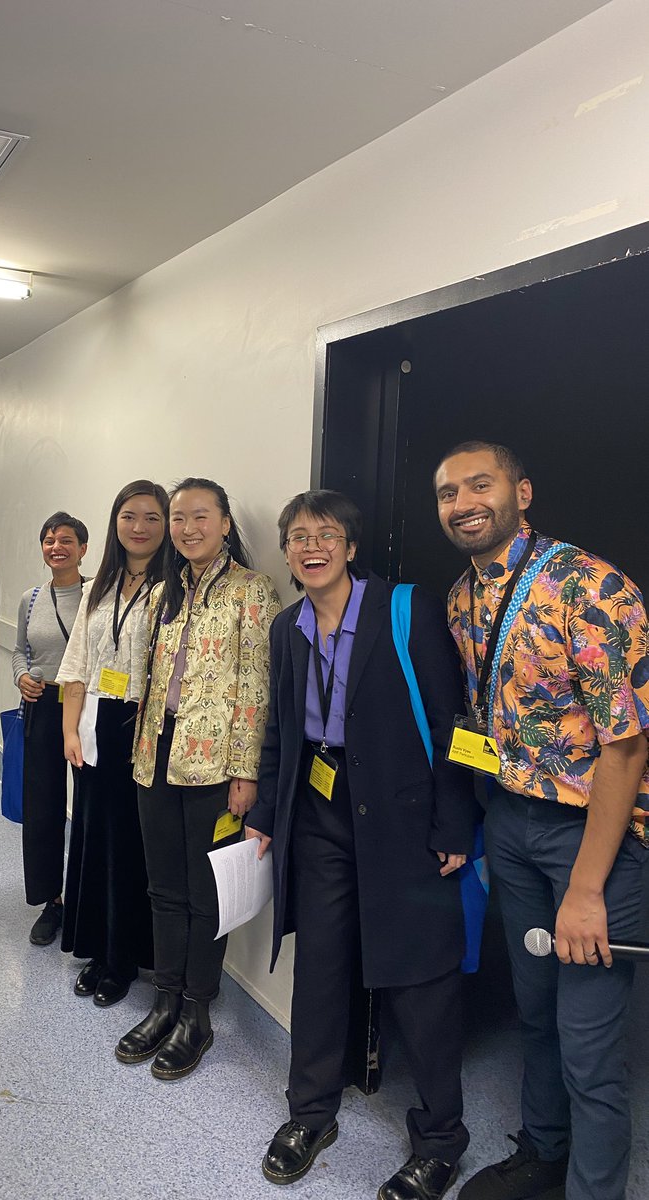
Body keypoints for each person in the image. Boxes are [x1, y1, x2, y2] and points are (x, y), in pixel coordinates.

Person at [246, 489, 477, 1200]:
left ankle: (440, 1138)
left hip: (405, 820)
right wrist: (263, 810)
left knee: (419, 981)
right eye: (297, 537)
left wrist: (455, 824)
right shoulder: (289, 629)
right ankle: (309, 1114)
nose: (310, 546)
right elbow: (283, 727)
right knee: (319, 968)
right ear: (287, 553)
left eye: (325, 534)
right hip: (318, 816)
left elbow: (452, 723)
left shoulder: (404, 610)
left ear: (349, 546)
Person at [434, 441, 649, 1200]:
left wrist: (588, 890)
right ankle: (543, 1154)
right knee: (536, 1010)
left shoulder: (589, 588)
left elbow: (625, 749)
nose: (462, 502)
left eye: (478, 484)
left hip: (594, 839)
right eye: (447, 492)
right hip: (513, 828)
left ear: (522, 492)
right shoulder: (461, 599)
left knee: (588, 1043)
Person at [117, 478, 280, 1080]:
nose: (187, 528)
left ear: (226, 524)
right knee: (163, 887)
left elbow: (257, 690)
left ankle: (197, 1013)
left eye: (199, 517)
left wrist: (246, 772)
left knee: (206, 891)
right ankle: (164, 1000)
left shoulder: (252, 592)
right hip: (154, 756)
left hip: (215, 767)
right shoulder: (166, 591)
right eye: (178, 518)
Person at [56, 480, 168, 1006]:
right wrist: (69, 730)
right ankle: (97, 948)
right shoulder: (101, 583)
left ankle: (124, 959)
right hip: (95, 723)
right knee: (93, 839)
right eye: (128, 516)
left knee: (131, 847)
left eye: (150, 517)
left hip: (144, 728)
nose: (139, 527)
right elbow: (78, 660)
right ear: (114, 522)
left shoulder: (173, 586)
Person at [13, 511, 88, 946]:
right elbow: (21, 650)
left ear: (83, 548)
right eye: (48, 540)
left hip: (86, 710)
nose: (56, 546)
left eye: (66, 540)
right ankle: (50, 899)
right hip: (42, 706)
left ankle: (83, 894)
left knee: (90, 806)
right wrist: (21, 676)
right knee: (42, 805)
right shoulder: (32, 597)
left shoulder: (98, 594)